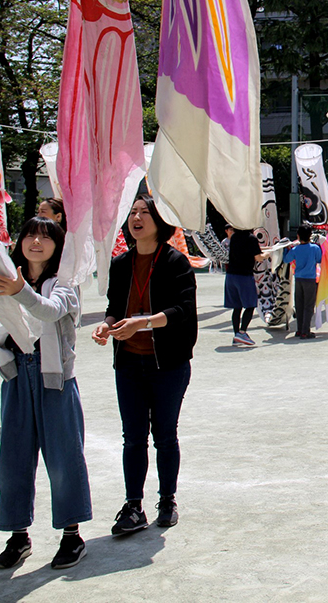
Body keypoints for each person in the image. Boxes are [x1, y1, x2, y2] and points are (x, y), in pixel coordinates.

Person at [0, 217, 91, 570]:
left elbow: (49, 311)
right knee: (13, 461)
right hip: (16, 375)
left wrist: (19, 290)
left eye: (45, 237)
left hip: (55, 380)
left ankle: (71, 535)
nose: (36, 242)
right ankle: (18, 536)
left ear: (58, 245)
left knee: (64, 459)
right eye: (30, 235)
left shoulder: (64, 282)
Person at [92, 194, 198, 534]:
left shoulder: (175, 262)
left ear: (160, 220)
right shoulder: (121, 264)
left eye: (144, 212)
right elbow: (114, 306)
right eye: (133, 213)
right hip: (128, 364)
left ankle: (167, 499)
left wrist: (143, 322)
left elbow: (182, 312)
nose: (136, 218)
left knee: (165, 435)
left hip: (167, 364)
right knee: (133, 437)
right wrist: (107, 324)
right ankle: (133, 505)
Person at [225, 228, 267, 346]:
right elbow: (258, 257)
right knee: (250, 304)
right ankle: (242, 332)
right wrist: (267, 255)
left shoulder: (234, 237)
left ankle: (236, 334)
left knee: (236, 307)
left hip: (231, 275)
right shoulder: (251, 238)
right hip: (244, 276)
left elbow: (247, 250)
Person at [283, 223, 323, 339]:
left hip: (298, 279)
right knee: (309, 306)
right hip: (310, 279)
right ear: (310, 235)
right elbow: (319, 259)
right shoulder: (315, 248)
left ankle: (299, 330)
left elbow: (286, 260)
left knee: (299, 305)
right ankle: (306, 331)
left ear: (298, 236)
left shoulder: (295, 249)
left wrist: (286, 249)